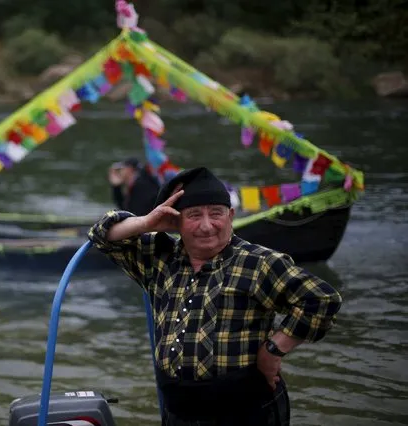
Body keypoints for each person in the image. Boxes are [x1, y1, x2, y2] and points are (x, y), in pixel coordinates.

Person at [88, 166, 342, 426]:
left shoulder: (258, 262)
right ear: (176, 221)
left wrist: (275, 349)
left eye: (217, 214)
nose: (207, 226)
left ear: (231, 215)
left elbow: (321, 300)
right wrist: (146, 222)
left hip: (246, 413)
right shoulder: (159, 258)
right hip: (179, 413)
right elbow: (101, 235)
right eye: (194, 215)